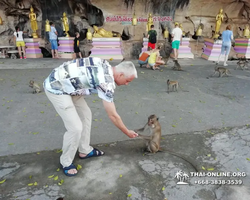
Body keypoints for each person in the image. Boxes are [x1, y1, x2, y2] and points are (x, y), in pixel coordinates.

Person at [43, 57, 138, 176]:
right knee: (75, 128)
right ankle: (66, 162)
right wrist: (127, 132)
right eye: (128, 81)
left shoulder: (105, 63)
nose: (127, 84)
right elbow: (113, 115)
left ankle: (84, 150)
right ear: (120, 75)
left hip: (71, 86)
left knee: (86, 114)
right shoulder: (106, 82)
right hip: (56, 88)